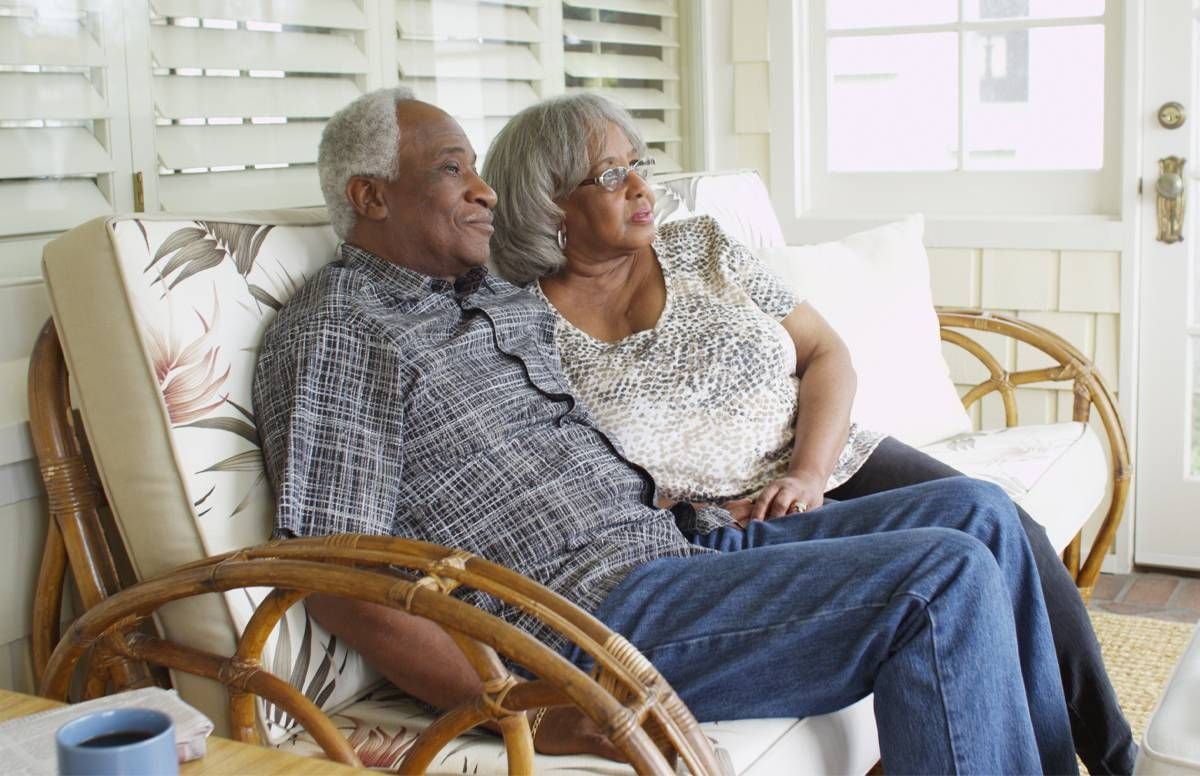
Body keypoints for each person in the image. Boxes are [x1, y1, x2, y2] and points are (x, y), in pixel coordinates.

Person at [253, 86, 1078, 774]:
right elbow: (338, 575)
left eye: (477, 167)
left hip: (685, 546)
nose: (485, 190)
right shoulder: (340, 329)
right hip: (593, 614)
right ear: (370, 196)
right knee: (942, 576)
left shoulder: (485, 296)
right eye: (451, 169)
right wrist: (528, 711)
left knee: (980, 515)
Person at [481, 93, 1134, 774]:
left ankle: (1114, 759)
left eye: (638, 163)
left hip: (830, 460)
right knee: (950, 570)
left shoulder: (699, 247)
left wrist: (809, 472)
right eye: (611, 176)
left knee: (999, 523)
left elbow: (826, 353)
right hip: (726, 521)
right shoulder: (521, 331)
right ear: (548, 202)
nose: (643, 186)